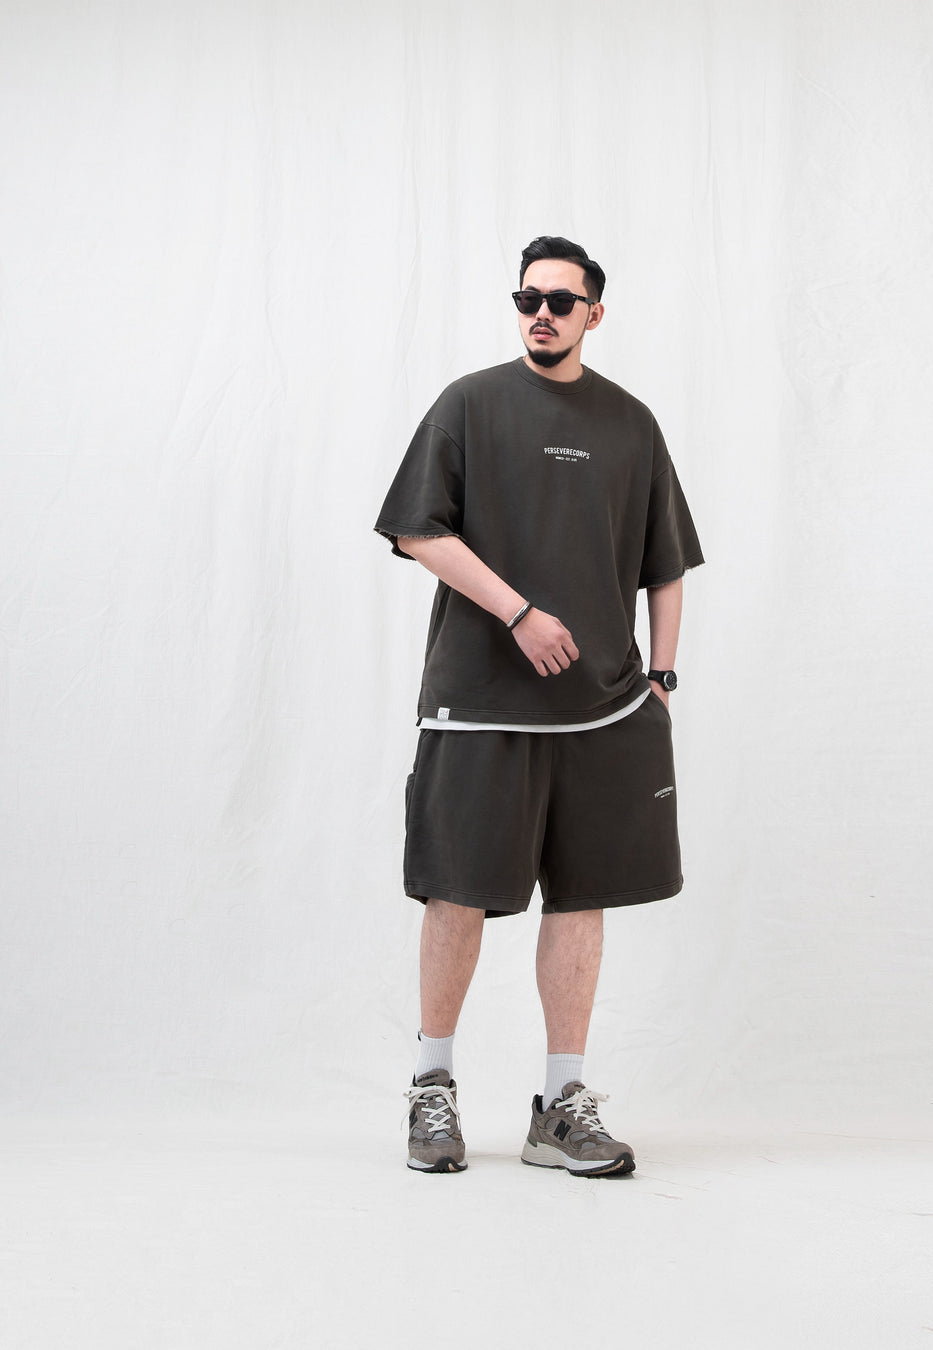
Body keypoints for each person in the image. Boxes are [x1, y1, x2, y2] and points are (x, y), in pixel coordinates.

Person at [375, 236, 703, 1177]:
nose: (542, 313)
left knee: (582, 895)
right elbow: (416, 530)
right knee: (457, 891)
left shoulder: (631, 423)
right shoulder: (470, 405)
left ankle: (561, 1107)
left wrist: (662, 678)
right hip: (480, 704)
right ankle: (432, 1089)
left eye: (562, 300)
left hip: (602, 711)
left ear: (594, 312)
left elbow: (666, 563)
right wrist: (517, 612)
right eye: (528, 299)